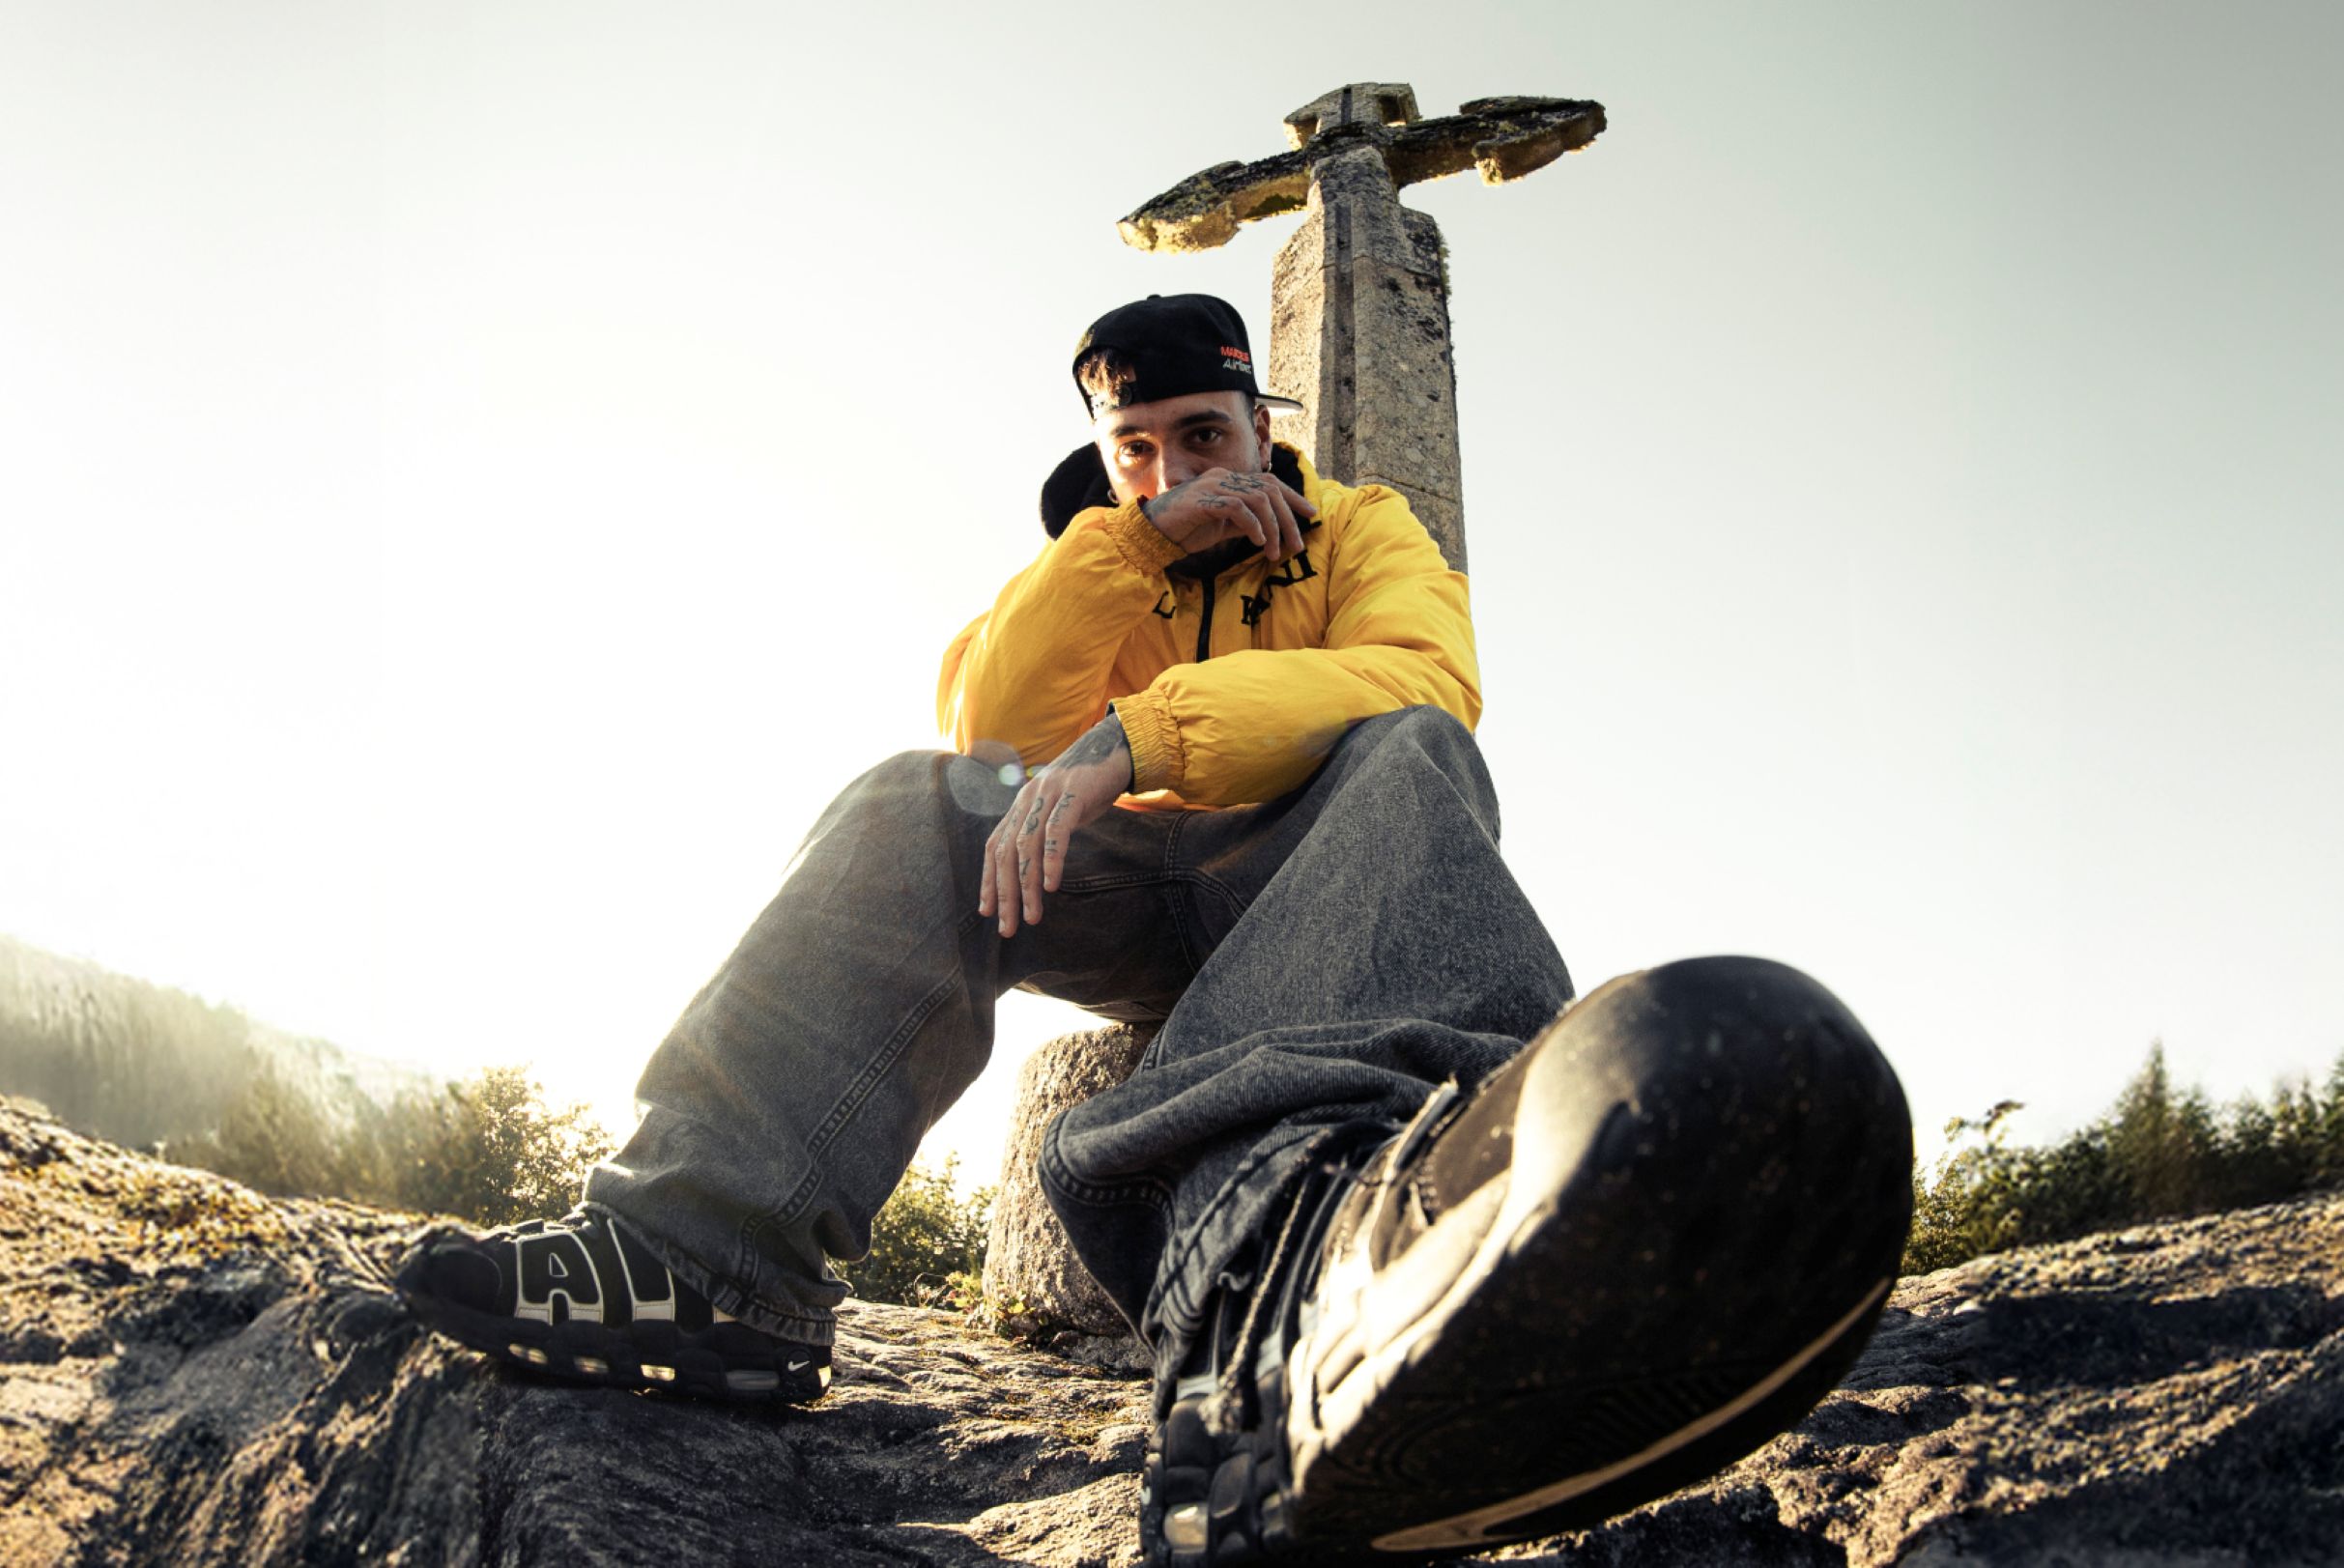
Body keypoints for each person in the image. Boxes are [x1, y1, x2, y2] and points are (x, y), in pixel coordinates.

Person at [397, 293, 1914, 1563]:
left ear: (1261, 428)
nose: (1173, 467)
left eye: (1203, 436)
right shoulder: (1098, 551)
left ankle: (1279, 1301)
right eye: (1138, 447)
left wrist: (1145, 733)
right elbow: (991, 728)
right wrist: (1126, 548)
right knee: (916, 799)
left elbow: (1424, 679)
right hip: (1129, 895)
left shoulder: (1360, 527)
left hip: (1324, 891)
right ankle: (699, 1262)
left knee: (1408, 753)